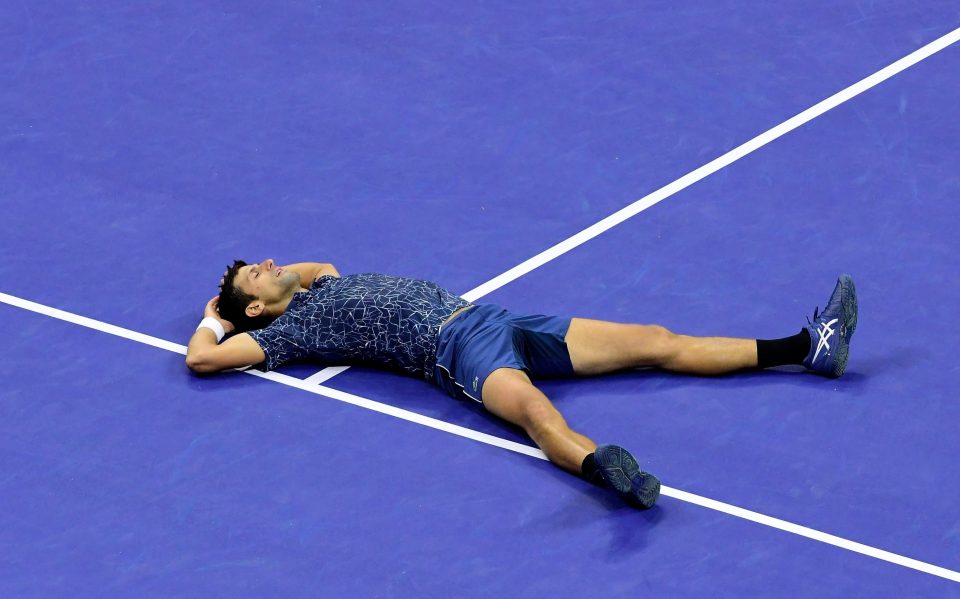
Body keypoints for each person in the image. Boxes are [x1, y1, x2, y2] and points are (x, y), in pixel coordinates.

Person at [185, 259, 858, 509]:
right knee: (538, 416)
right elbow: (201, 361)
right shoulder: (284, 336)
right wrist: (214, 318)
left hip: (498, 317)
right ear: (252, 310)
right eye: (255, 276)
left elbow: (314, 264)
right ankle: (606, 470)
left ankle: (808, 346)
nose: (270, 264)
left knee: (656, 338)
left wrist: (258, 288)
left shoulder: (318, 284)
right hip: (455, 348)